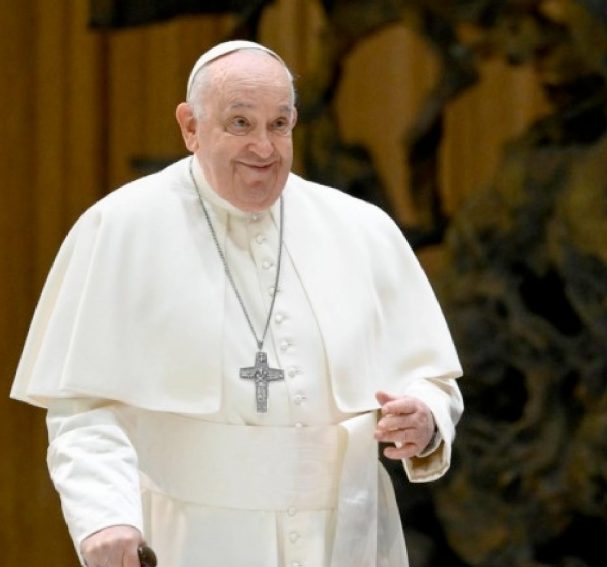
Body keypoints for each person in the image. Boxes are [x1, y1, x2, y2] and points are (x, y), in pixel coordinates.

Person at [10, 40, 463, 567]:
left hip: (348, 537)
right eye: (241, 123)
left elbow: (431, 377)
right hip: (196, 539)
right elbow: (83, 409)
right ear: (190, 127)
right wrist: (105, 516)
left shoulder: (361, 229)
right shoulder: (121, 228)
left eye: (279, 124)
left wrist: (426, 418)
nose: (264, 148)